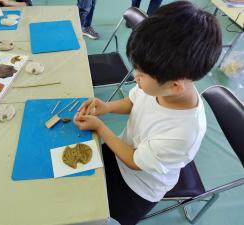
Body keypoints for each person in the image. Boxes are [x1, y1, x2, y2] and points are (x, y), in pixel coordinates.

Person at [74, 1, 222, 225]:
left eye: (141, 74)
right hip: (121, 153)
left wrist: (101, 127)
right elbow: (134, 101)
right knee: (74, 182)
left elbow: (134, 160)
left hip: (138, 186)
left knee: (95, 216)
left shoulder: (183, 132)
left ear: (174, 86)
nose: (135, 77)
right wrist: (107, 107)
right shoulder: (159, 84)